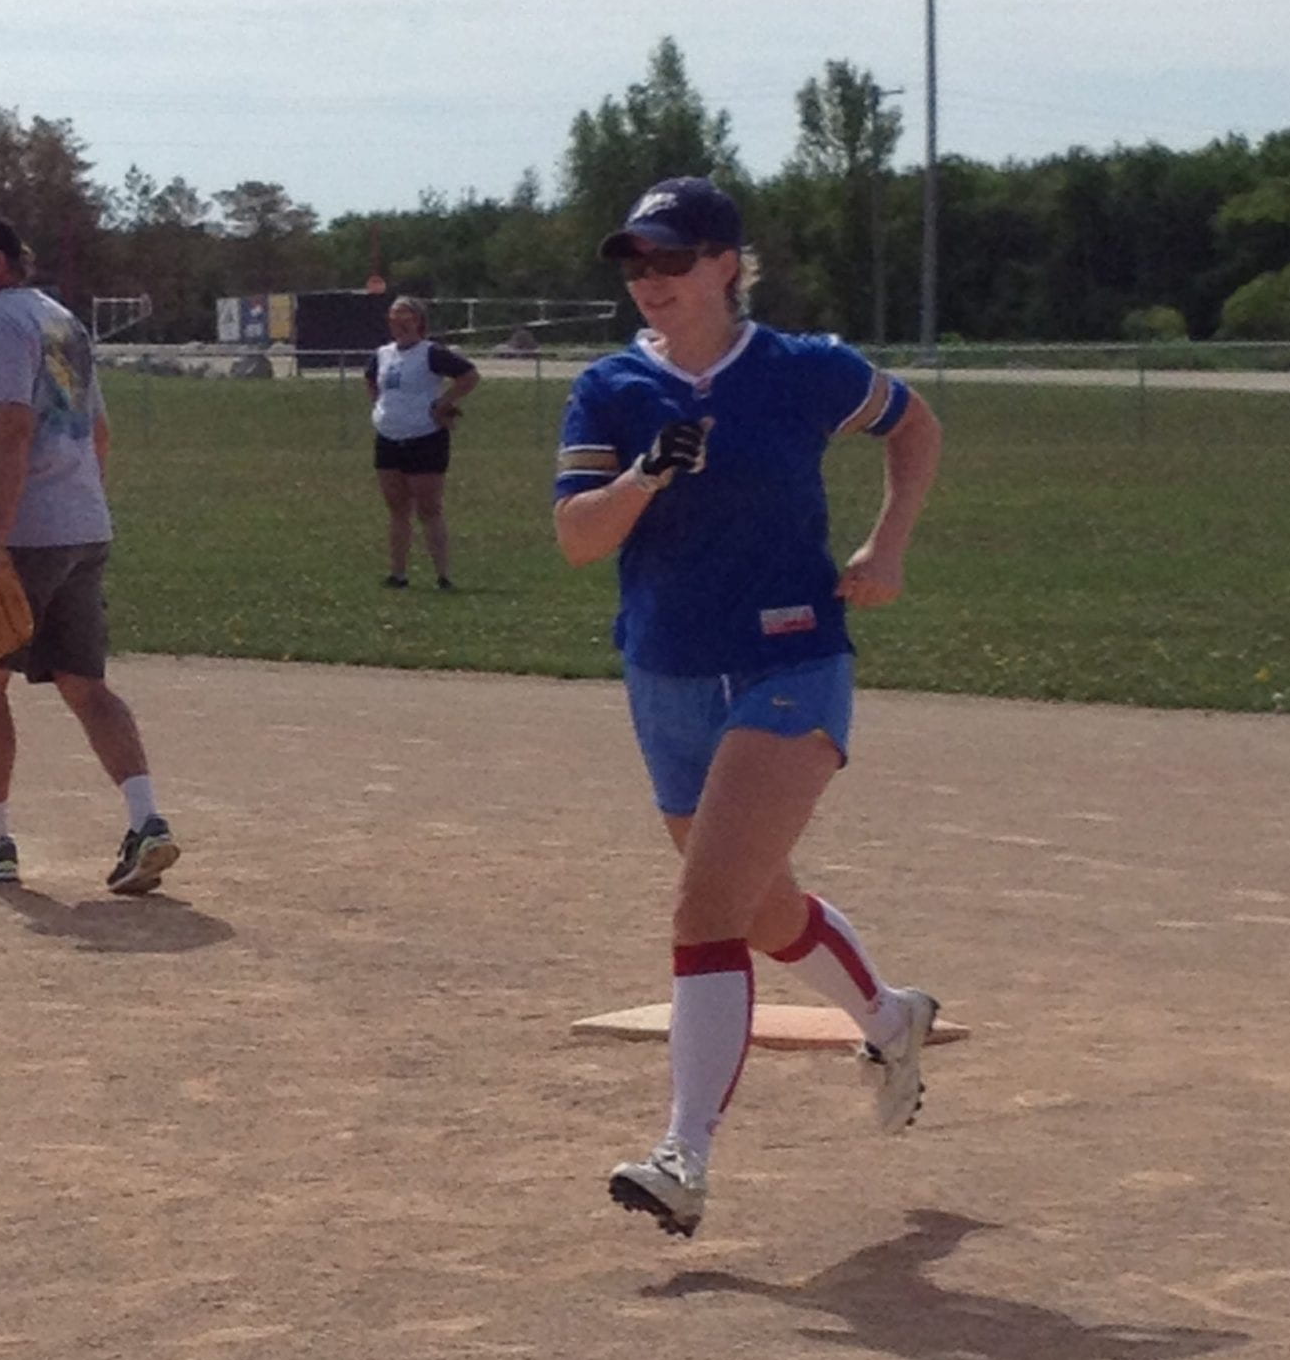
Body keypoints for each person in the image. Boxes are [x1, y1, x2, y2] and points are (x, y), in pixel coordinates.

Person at [552, 175, 944, 1240]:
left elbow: (915, 428)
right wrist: (644, 478)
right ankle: (889, 1018)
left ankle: (683, 1154)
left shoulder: (804, 367)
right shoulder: (610, 388)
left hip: (791, 658)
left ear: (726, 264)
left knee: (704, 911)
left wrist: (888, 544)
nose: (651, 280)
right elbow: (578, 538)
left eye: (673, 259)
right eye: (637, 263)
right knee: (764, 909)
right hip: (666, 671)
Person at [0, 206, 180, 896]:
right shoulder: (61, 320)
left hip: (22, 533)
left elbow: (12, 429)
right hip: (81, 524)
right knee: (85, 684)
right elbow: (99, 431)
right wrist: (83, 506)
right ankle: (147, 823)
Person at [364, 297, 479, 590]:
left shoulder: (431, 353)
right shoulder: (383, 354)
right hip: (389, 437)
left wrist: (444, 403)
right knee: (397, 507)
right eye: (394, 318)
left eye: (406, 317)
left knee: (429, 508)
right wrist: (380, 408)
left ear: (418, 321)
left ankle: (443, 575)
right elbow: (371, 380)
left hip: (425, 437)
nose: (399, 324)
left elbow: (468, 375)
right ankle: (398, 573)